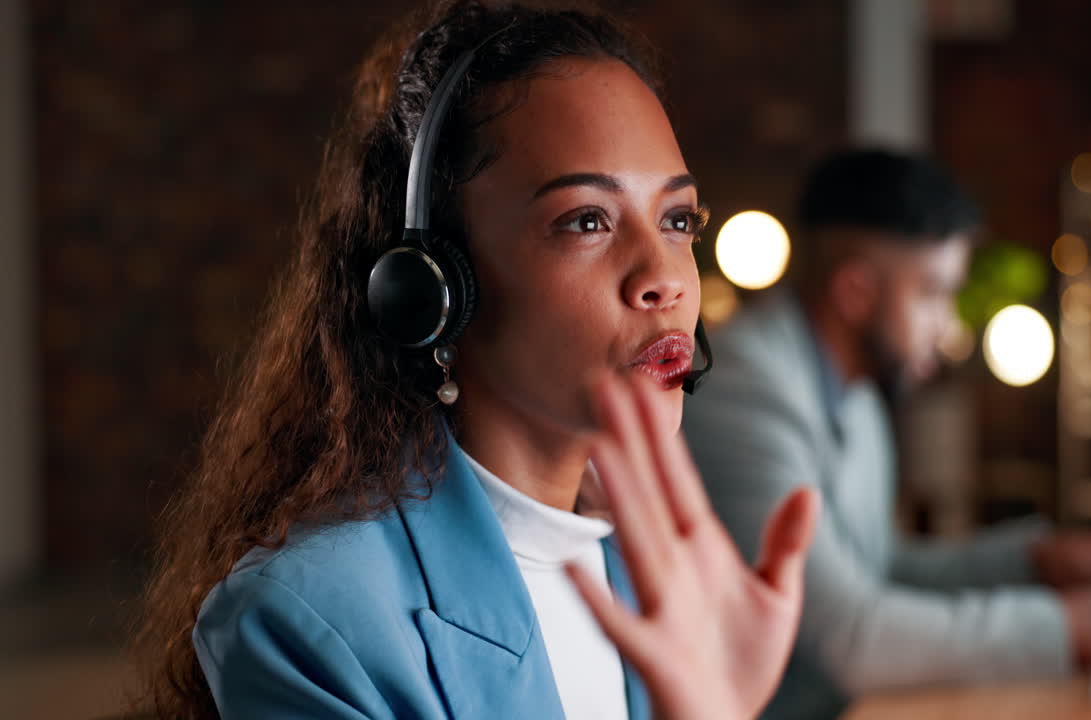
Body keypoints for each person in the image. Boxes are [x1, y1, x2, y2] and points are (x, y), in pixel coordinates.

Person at [135, 3, 819, 719]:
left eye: (677, 220)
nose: (666, 278)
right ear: (433, 289)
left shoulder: (667, 581)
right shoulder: (307, 623)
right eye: (587, 220)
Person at [681, 148, 1091, 719]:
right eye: (934, 293)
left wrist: (1036, 562)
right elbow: (850, 635)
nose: (950, 325)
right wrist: (1065, 628)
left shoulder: (856, 390)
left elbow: (881, 569)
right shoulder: (745, 388)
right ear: (855, 292)